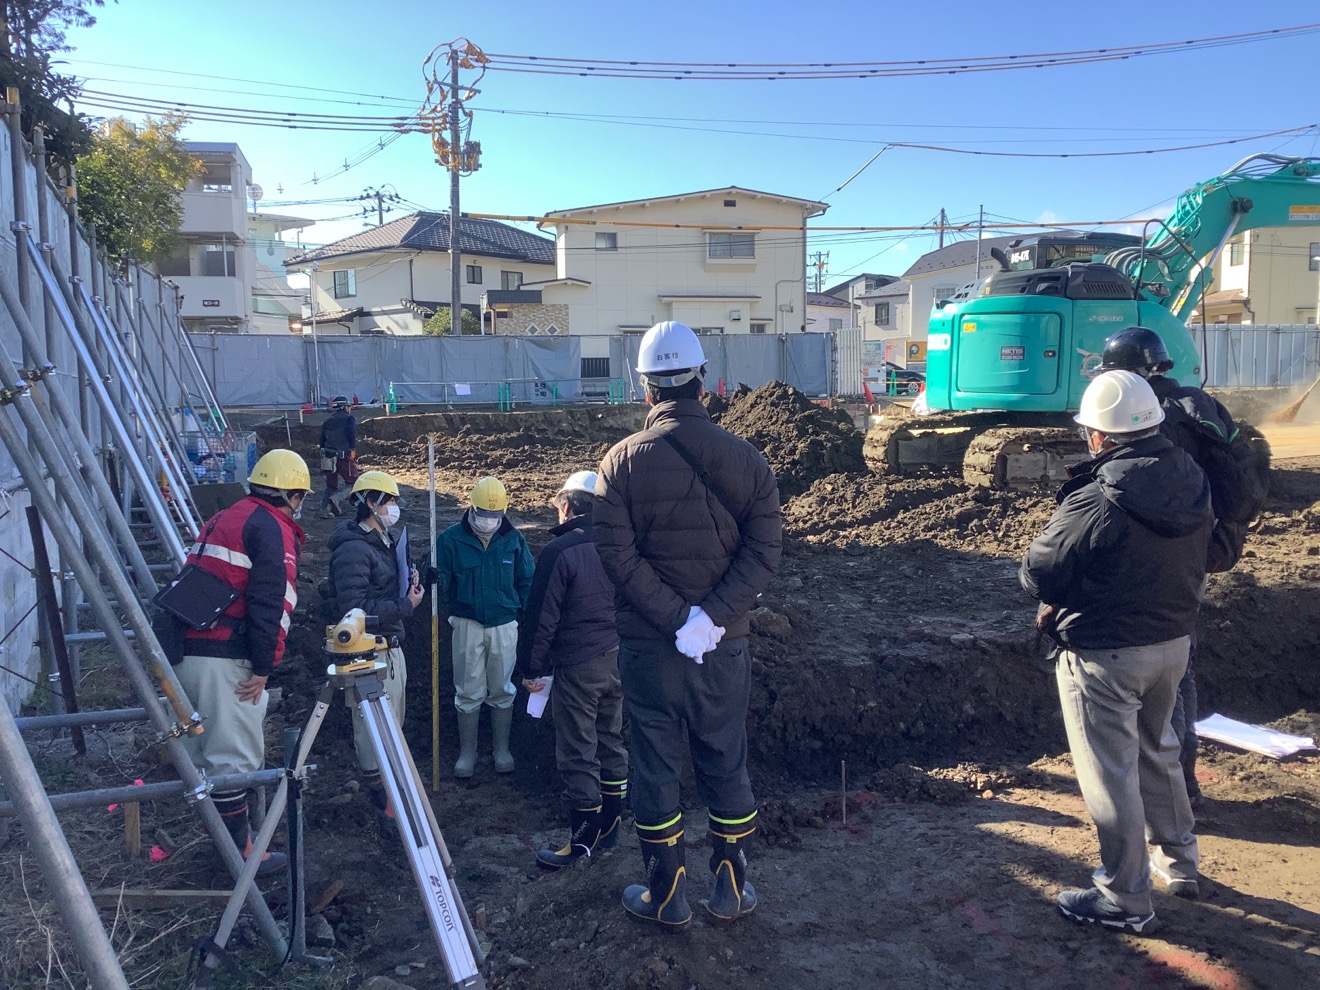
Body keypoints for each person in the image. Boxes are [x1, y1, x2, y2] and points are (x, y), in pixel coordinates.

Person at [594, 321, 782, 927]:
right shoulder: (749, 459)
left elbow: (617, 558)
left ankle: (666, 895)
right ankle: (730, 888)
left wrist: (677, 620)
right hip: (723, 647)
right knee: (725, 756)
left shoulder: (619, 462)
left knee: (653, 762)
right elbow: (764, 551)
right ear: (705, 380)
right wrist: (709, 619)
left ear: (645, 387)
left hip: (649, 649)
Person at [1021, 370, 1213, 932]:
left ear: (1100, 436)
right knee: (1160, 750)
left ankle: (1125, 897)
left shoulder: (1099, 497)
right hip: (1173, 641)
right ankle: (1179, 864)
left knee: (1110, 773)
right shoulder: (1191, 475)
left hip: (1106, 653)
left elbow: (1040, 572)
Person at [1099, 326, 1243, 808]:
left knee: (1153, 674)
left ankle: (1167, 788)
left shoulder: (1138, 416)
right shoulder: (1198, 406)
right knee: (1180, 663)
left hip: (1147, 556)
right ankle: (1184, 781)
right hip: (1196, 553)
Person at [175, 449, 312, 874]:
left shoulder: (224, 517)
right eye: (300, 496)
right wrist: (263, 666)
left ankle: (227, 844)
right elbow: (273, 601)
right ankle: (240, 857)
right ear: (290, 493)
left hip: (185, 650)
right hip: (224, 656)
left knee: (203, 756)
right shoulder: (271, 528)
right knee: (233, 760)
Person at [516, 471, 628, 869]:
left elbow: (540, 619)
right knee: (611, 740)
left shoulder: (560, 552)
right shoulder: (619, 544)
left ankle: (581, 844)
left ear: (566, 506)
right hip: (619, 659)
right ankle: (611, 829)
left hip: (578, 666)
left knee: (579, 751)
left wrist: (531, 668)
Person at [325, 470, 424, 815]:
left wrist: (411, 579)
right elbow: (353, 611)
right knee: (372, 728)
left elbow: (381, 587)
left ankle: (393, 788)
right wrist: (404, 606)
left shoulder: (383, 539)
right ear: (370, 502)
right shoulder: (354, 550)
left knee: (391, 724)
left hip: (390, 644)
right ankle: (382, 798)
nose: (394, 507)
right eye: (390, 501)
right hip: (369, 652)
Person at [434, 476, 534, 778]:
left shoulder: (514, 540)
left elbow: (527, 580)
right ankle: (469, 752)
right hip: (467, 623)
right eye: (484, 513)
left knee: (502, 686)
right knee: (467, 688)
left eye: (496, 515)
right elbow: (442, 584)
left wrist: (526, 617)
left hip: (504, 623)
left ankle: (501, 749)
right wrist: (435, 578)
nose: (490, 521)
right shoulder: (450, 540)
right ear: (472, 508)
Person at [318, 396, 357, 518]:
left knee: (331, 485)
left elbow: (322, 440)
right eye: (349, 406)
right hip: (344, 455)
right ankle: (336, 499)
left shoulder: (327, 422)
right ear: (345, 407)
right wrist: (353, 450)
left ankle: (324, 510)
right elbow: (351, 435)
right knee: (353, 483)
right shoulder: (349, 419)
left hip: (328, 456)